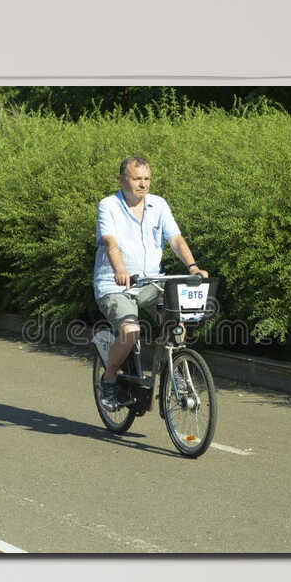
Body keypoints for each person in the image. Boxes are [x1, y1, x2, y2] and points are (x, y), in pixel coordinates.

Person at [93, 155, 205, 410]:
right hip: (115, 284)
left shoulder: (159, 205)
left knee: (176, 319)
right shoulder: (108, 205)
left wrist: (193, 266)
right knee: (131, 332)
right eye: (136, 179)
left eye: (146, 179)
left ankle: (174, 367)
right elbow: (110, 242)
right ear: (122, 180)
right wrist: (120, 270)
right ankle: (108, 379)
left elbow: (175, 239)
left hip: (151, 282)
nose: (143, 184)